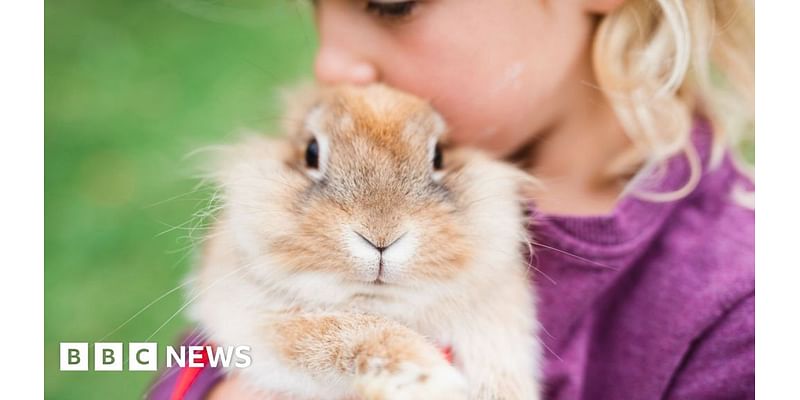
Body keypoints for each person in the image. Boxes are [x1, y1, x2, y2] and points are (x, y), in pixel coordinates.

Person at [149, 0, 754, 398]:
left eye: (392, 4)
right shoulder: (309, 171)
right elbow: (207, 358)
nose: (329, 61)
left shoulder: (739, 315)